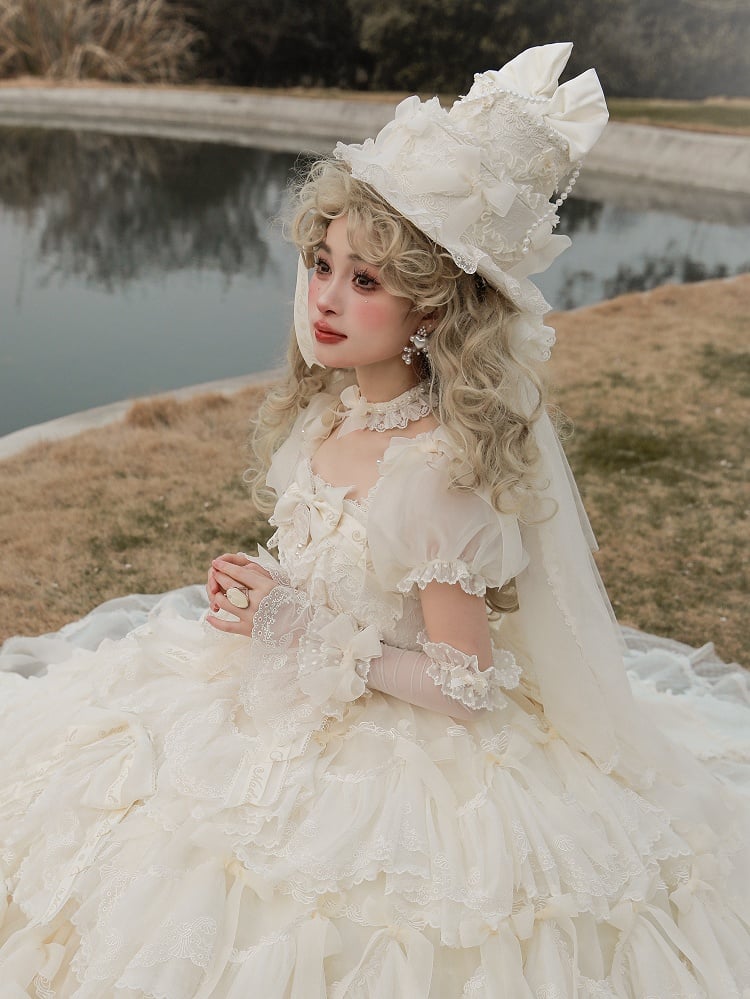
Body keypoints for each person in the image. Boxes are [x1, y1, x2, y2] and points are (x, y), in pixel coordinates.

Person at [1, 42, 749, 998]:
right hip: (291, 679)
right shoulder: (334, 412)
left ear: (432, 312)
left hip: (400, 731)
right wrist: (275, 594)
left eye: (367, 281)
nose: (325, 297)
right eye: (322, 264)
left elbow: (467, 680)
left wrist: (306, 629)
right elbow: (344, 564)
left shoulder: (433, 473)